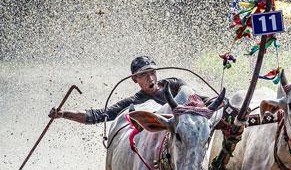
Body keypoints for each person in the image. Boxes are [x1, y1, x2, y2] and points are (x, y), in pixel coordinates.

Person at [48, 56, 188, 124]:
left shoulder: (174, 84)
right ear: (135, 79)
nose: (150, 78)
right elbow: (99, 114)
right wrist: (63, 113)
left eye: (152, 72)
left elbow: (198, 100)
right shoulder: (135, 102)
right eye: (144, 75)